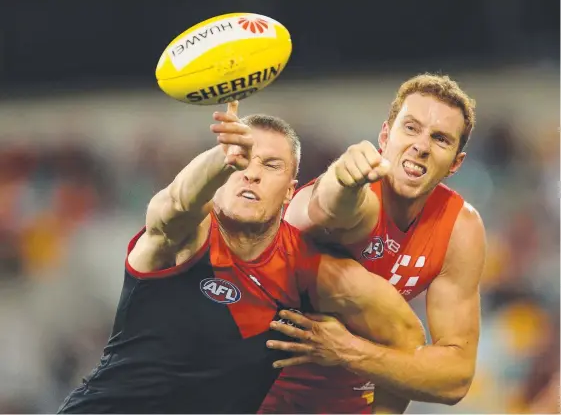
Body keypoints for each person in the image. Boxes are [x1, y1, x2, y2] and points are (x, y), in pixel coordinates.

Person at [57, 101, 425, 414]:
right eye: (242, 161)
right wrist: (221, 157)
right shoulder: (186, 236)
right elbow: (176, 203)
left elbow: (407, 342)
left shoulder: (310, 270)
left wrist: (351, 352)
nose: (251, 173)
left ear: (289, 193)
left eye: (270, 165)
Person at [261, 73, 487, 413]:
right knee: (405, 335)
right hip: (260, 380)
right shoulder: (360, 196)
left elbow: (455, 378)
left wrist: (346, 349)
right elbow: (327, 208)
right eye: (410, 128)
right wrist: (342, 179)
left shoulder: (460, 228)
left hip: (348, 392)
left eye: (440, 139)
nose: (421, 146)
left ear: (456, 163)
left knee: (405, 338)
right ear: (385, 134)